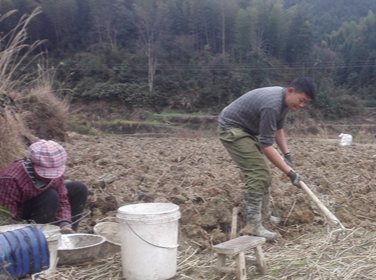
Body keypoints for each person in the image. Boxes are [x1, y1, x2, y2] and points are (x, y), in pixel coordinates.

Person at [218, 77, 316, 241]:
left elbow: (279, 129)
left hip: (247, 130)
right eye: (301, 100)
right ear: (291, 91)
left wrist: (287, 155)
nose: (301, 105)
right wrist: (290, 173)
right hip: (232, 128)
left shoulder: (284, 102)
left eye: (305, 103)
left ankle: (265, 215)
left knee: (265, 174)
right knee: (258, 173)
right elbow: (266, 145)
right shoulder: (272, 104)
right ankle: (253, 225)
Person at [0, 139, 88, 234]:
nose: (49, 178)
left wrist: (64, 223)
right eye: (44, 173)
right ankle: (42, 236)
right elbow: (6, 217)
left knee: (79, 188)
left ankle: (68, 236)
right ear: (33, 163)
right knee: (50, 195)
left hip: (47, 205)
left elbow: (62, 198)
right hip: (23, 216)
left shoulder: (56, 172)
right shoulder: (11, 178)